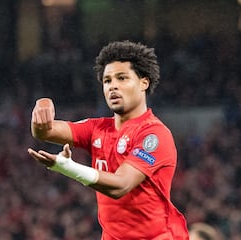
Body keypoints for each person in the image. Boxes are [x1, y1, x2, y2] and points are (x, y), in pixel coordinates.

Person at [28, 40, 189, 239]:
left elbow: (121, 185)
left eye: (122, 78)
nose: (113, 86)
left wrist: (67, 167)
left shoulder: (154, 134)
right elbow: (44, 132)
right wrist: (42, 108)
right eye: (107, 81)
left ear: (143, 83)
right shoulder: (97, 128)